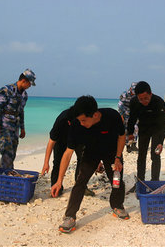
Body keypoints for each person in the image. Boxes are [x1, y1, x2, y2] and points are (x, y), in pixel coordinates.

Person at [51, 96, 128, 233]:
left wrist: (117, 158)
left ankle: (117, 205)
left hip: (112, 151)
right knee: (80, 181)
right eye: (79, 120)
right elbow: (68, 153)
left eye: (84, 120)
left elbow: (122, 136)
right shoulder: (76, 124)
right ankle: (70, 216)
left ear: (95, 114)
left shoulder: (112, 116)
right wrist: (59, 181)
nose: (81, 123)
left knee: (117, 180)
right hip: (91, 152)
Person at [41, 105, 94, 197]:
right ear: (69, 122)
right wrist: (46, 163)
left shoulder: (83, 120)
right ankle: (56, 186)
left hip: (78, 139)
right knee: (58, 162)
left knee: (83, 159)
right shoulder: (61, 121)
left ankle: (81, 186)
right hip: (61, 140)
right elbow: (51, 142)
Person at [126, 81, 165, 192]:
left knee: (155, 155)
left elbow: (163, 124)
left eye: (146, 98)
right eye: (141, 99)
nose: (144, 101)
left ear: (151, 94)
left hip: (157, 129)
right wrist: (130, 133)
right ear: (137, 97)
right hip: (143, 129)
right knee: (141, 156)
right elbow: (132, 118)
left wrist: (161, 142)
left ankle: (155, 182)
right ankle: (140, 182)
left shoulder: (158, 102)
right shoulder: (134, 102)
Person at [0, 69, 36, 169]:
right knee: (7, 151)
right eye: (29, 84)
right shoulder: (6, 90)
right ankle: (5, 176)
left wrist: (22, 128)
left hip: (15, 126)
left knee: (13, 151)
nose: (29, 87)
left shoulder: (24, 95)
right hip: (4, 125)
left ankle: (7, 173)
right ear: (24, 81)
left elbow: (21, 112)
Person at [118, 82, 138, 152]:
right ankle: (128, 145)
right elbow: (120, 105)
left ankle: (134, 144)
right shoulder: (124, 94)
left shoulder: (138, 94)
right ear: (130, 88)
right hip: (125, 112)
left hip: (134, 112)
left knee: (136, 128)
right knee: (126, 129)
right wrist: (121, 115)